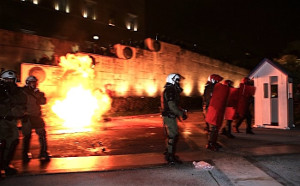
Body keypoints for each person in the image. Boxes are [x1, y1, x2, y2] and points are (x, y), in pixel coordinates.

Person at [0, 70, 27, 177]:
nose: (9, 82)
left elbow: (22, 100)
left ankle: (5, 165)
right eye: (6, 80)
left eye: (11, 80)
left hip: (11, 121)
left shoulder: (17, 91)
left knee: (13, 142)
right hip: (1, 120)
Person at [21, 76, 50, 162]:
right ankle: (25, 154)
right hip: (27, 117)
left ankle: (43, 153)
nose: (34, 84)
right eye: (32, 82)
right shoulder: (22, 92)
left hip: (36, 116)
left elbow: (43, 102)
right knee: (27, 136)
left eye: (35, 82)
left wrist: (38, 94)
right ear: (27, 83)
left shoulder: (38, 93)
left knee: (42, 135)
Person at [161, 73, 187, 165]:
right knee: (173, 136)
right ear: (172, 80)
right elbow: (172, 106)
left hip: (169, 115)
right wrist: (181, 114)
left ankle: (169, 153)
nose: (178, 82)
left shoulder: (170, 89)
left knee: (172, 135)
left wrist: (181, 110)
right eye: (177, 80)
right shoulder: (170, 90)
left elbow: (173, 105)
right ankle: (170, 157)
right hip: (170, 116)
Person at [205, 75, 230, 151]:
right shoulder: (210, 87)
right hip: (213, 108)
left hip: (215, 108)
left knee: (216, 127)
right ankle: (210, 144)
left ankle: (213, 142)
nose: (218, 82)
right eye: (217, 81)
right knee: (214, 127)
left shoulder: (213, 87)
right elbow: (208, 98)